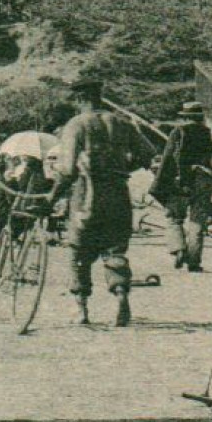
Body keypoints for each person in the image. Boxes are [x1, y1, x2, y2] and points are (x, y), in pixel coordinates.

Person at [47, 79, 156, 327]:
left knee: (78, 251)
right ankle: (121, 299)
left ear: (79, 99)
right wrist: (123, 167)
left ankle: (82, 310)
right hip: (118, 193)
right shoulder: (121, 122)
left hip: (87, 195)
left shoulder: (76, 124)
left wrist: (51, 197)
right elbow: (148, 153)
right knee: (116, 249)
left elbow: (67, 170)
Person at [150, 101, 212, 272]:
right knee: (197, 221)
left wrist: (160, 181)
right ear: (201, 117)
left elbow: (167, 159)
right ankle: (194, 262)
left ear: (184, 117)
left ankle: (179, 249)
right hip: (203, 179)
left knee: (174, 218)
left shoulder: (177, 132)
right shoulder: (210, 133)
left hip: (180, 180)